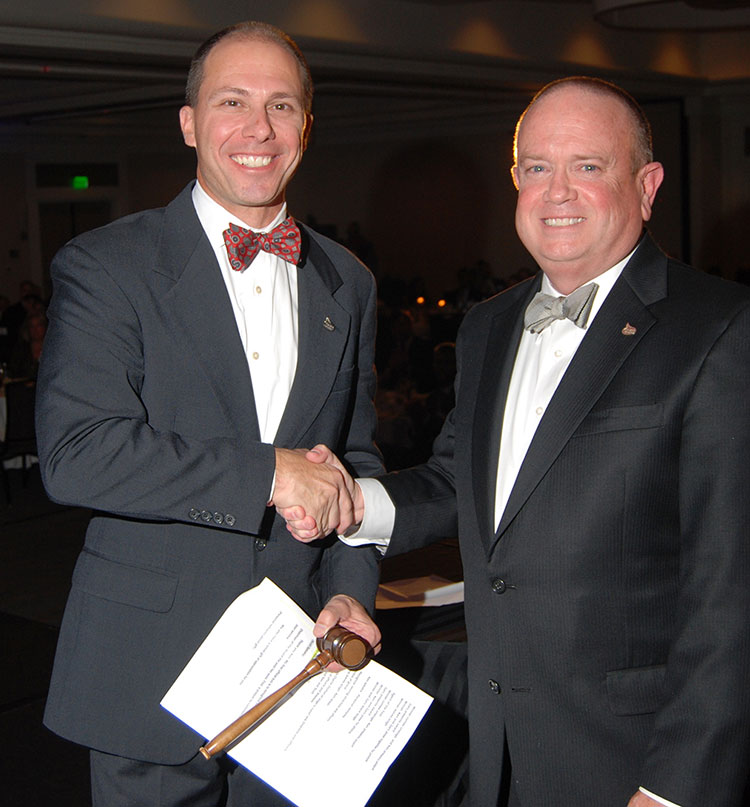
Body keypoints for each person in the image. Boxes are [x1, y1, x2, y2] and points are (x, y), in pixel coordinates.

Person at [284, 77, 750, 806]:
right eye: (537, 168)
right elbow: (456, 484)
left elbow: (732, 595)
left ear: (647, 185)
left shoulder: (719, 328)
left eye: (588, 167)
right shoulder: (490, 323)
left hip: (632, 757)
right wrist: (347, 502)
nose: (557, 191)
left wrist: (673, 788)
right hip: (500, 742)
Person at [36, 21, 382, 807]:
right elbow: (77, 453)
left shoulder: (348, 280)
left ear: (306, 127)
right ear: (190, 123)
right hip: (148, 665)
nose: (258, 129)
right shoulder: (107, 265)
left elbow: (355, 459)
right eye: (233, 102)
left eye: (282, 106)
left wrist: (354, 586)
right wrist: (270, 474)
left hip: (298, 665)